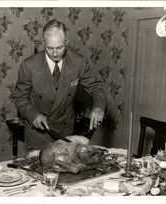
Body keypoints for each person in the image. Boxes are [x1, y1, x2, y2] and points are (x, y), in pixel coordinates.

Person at [14, 19, 107, 153]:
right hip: (38, 134)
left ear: (66, 42)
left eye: (59, 47)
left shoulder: (79, 62)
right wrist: (33, 114)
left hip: (65, 132)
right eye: (50, 48)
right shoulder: (29, 65)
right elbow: (19, 97)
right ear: (43, 43)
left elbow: (96, 87)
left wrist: (98, 107)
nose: (55, 53)